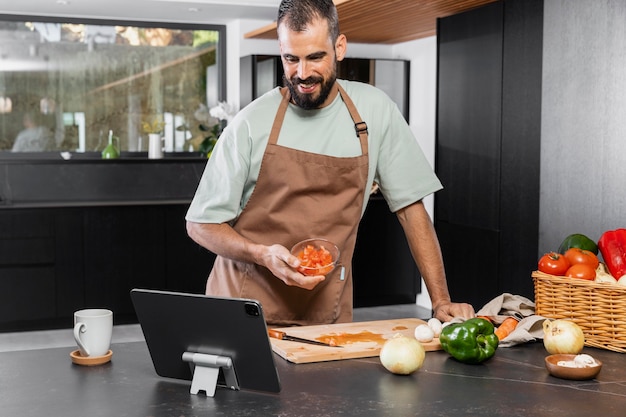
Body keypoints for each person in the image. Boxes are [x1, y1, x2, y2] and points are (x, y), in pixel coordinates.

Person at [186, 0, 475, 326]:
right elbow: (200, 225)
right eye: (291, 59)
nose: (302, 73)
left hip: (326, 312)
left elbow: (411, 210)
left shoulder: (375, 110)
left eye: (315, 57)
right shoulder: (251, 122)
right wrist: (262, 254)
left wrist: (440, 301)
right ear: (281, 50)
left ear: (339, 47)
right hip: (242, 310)